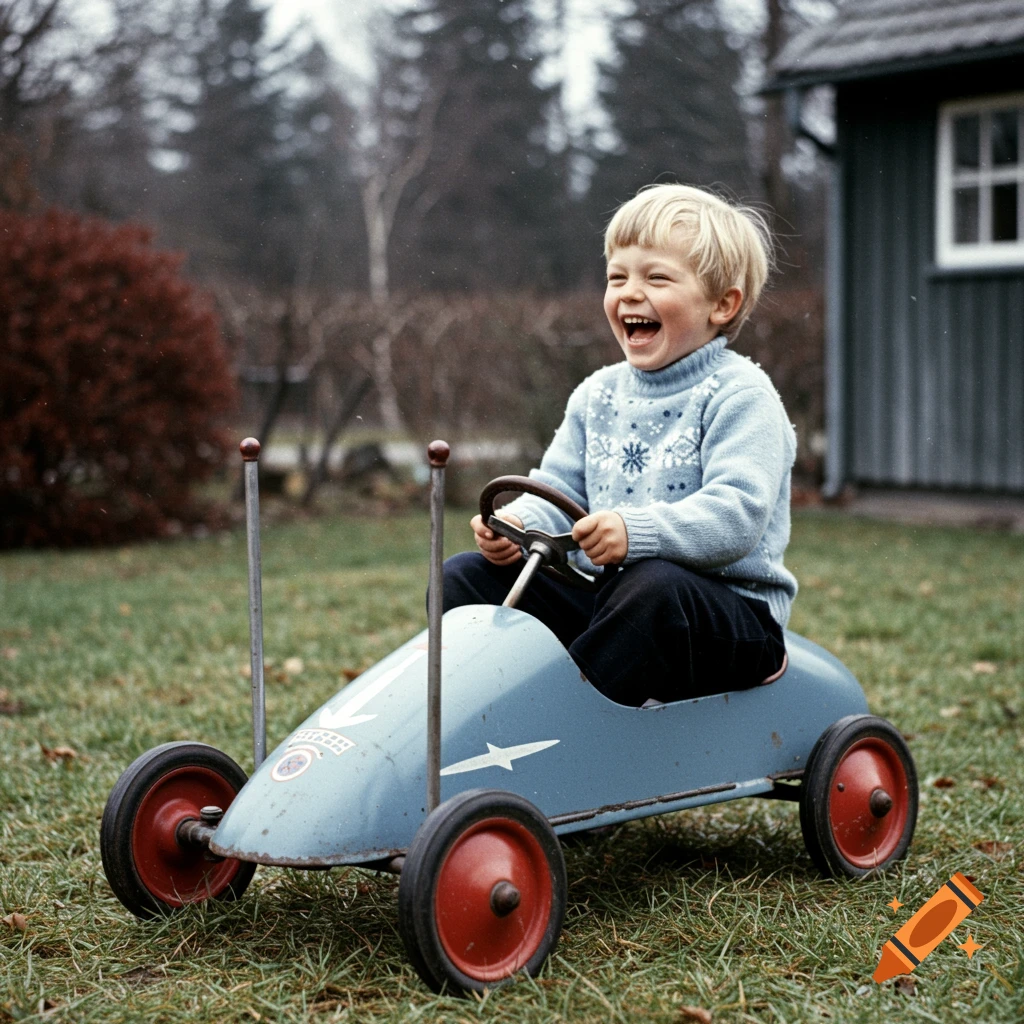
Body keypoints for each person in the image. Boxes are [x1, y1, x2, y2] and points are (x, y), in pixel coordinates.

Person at [443, 183, 797, 707]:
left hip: (726, 621)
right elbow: (558, 488)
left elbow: (737, 517)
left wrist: (637, 532)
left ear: (722, 304)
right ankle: (478, 713)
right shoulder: (598, 394)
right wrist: (518, 525)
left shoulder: (741, 395)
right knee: (466, 576)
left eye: (656, 277)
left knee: (653, 586)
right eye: (617, 277)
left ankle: (561, 726)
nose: (630, 292)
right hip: (612, 606)